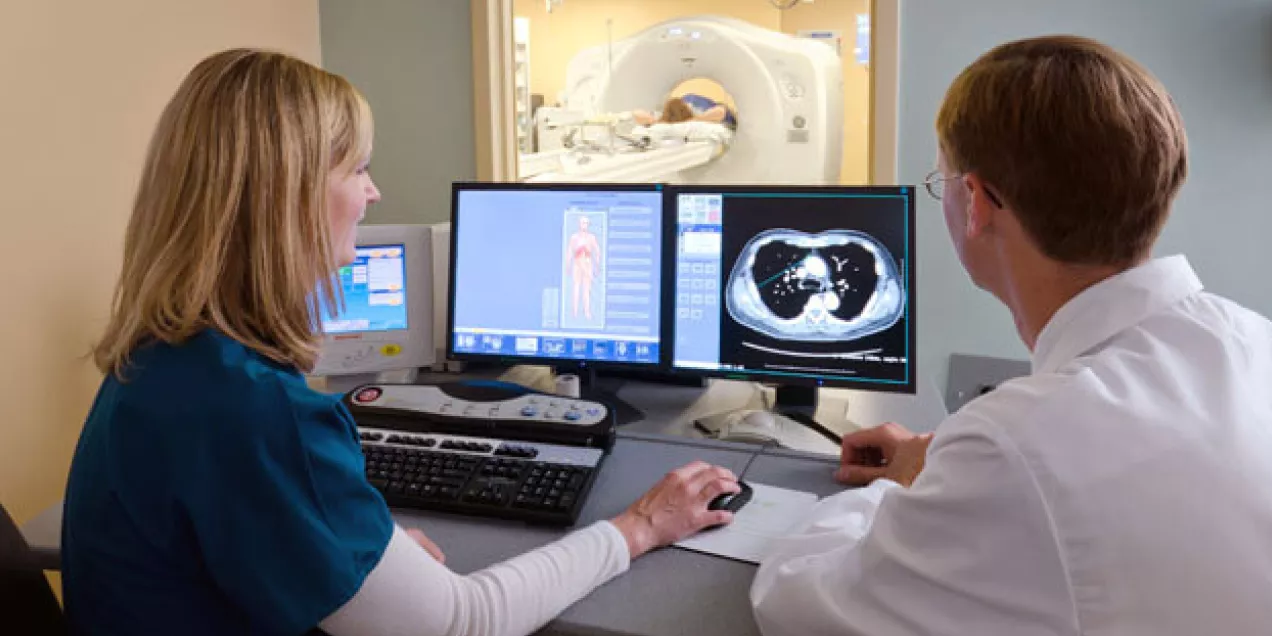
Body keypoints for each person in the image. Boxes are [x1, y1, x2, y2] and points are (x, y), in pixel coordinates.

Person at [62, 48, 742, 636]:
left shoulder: (161, 358)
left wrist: (361, 563)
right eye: (357, 169)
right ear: (287, 198)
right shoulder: (257, 410)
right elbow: (460, 621)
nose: (374, 192)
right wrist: (642, 526)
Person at [750, 35, 1272, 635]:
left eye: (939, 180)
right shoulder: (1252, 339)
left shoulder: (1015, 446)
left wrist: (899, 487)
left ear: (974, 203)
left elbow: (798, 603)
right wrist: (950, 464)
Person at [633, 93, 738, 130]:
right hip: (684, 104)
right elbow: (636, 113)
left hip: (693, 105)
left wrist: (693, 119)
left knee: (723, 111)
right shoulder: (662, 117)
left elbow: (721, 112)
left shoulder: (697, 108)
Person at [567, 214, 601, 320]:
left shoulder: (591, 238)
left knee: (586, 289)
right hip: (577, 264)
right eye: (582, 222)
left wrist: (597, 266)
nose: (584, 225)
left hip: (587, 264)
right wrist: (568, 265)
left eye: (586, 223)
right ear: (579, 224)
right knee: (576, 288)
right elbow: (569, 252)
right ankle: (574, 312)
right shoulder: (574, 237)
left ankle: (587, 312)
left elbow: (597, 252)